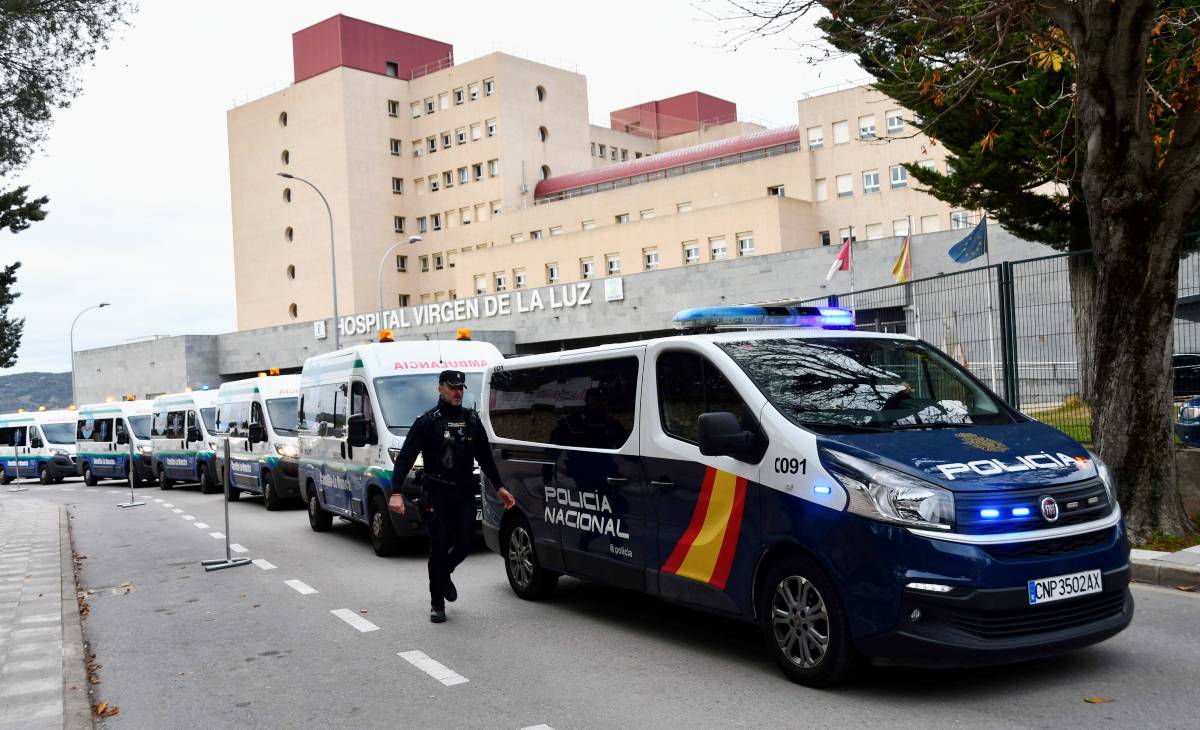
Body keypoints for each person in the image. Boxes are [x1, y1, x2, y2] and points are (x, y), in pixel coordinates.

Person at [389, 369, 515, 623]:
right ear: (440, 388)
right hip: (437, 492)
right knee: (437, 547)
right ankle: (437, 603)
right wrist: (396, 492)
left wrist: (499, 487)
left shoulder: (471, 419)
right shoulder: (427, 422)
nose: (458, 392)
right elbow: (405, 458)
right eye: (452, 387)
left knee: (466, 544)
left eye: (460, 388)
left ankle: (443, 573)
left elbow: (485, 457)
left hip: (464, 490)